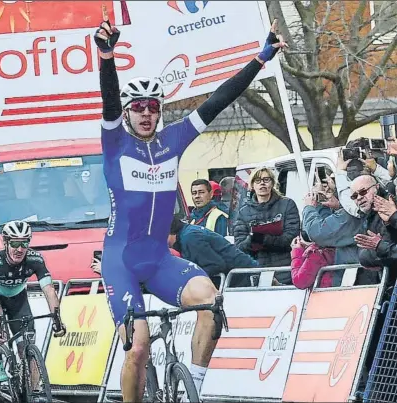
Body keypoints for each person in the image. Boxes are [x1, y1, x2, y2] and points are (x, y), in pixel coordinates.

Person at [93, 12, 286, 399]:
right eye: (139, 107)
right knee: (139, 346)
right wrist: (107, 57)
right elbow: (109, 100)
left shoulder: (174, 139)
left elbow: (220, 98)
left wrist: (261, 58)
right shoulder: (115, 144)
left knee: (212, 302)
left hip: (160, 260)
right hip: (122, 263)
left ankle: (190, 390)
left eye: (152, 106)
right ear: (128, 114)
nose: (146, 113)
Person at [0, 221, 66, 383]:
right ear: (5, 243)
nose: (20, 249)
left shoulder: (35, 259)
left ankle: (32, 393)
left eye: (24, 243)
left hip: (18, 299)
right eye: (14, 243)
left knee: (27, 349)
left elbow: (49, 290)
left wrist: (57, 318)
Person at [233, 167, 300, 284]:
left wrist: (264, 239)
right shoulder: (244, 212)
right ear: (252, 185)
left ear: (273, 183)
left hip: (286, 270)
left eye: (266, 179)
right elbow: (240, 247)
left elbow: (292, 238)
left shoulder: (287, 204)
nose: (262, 183)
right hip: (258, 271)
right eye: (258, 180)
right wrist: (252, 239)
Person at [167, 216, 258, 288]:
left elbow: (215, 265)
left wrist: (189, 278)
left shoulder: (190, 238)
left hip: (247, 279)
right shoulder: (187, 235)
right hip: (240, 278)